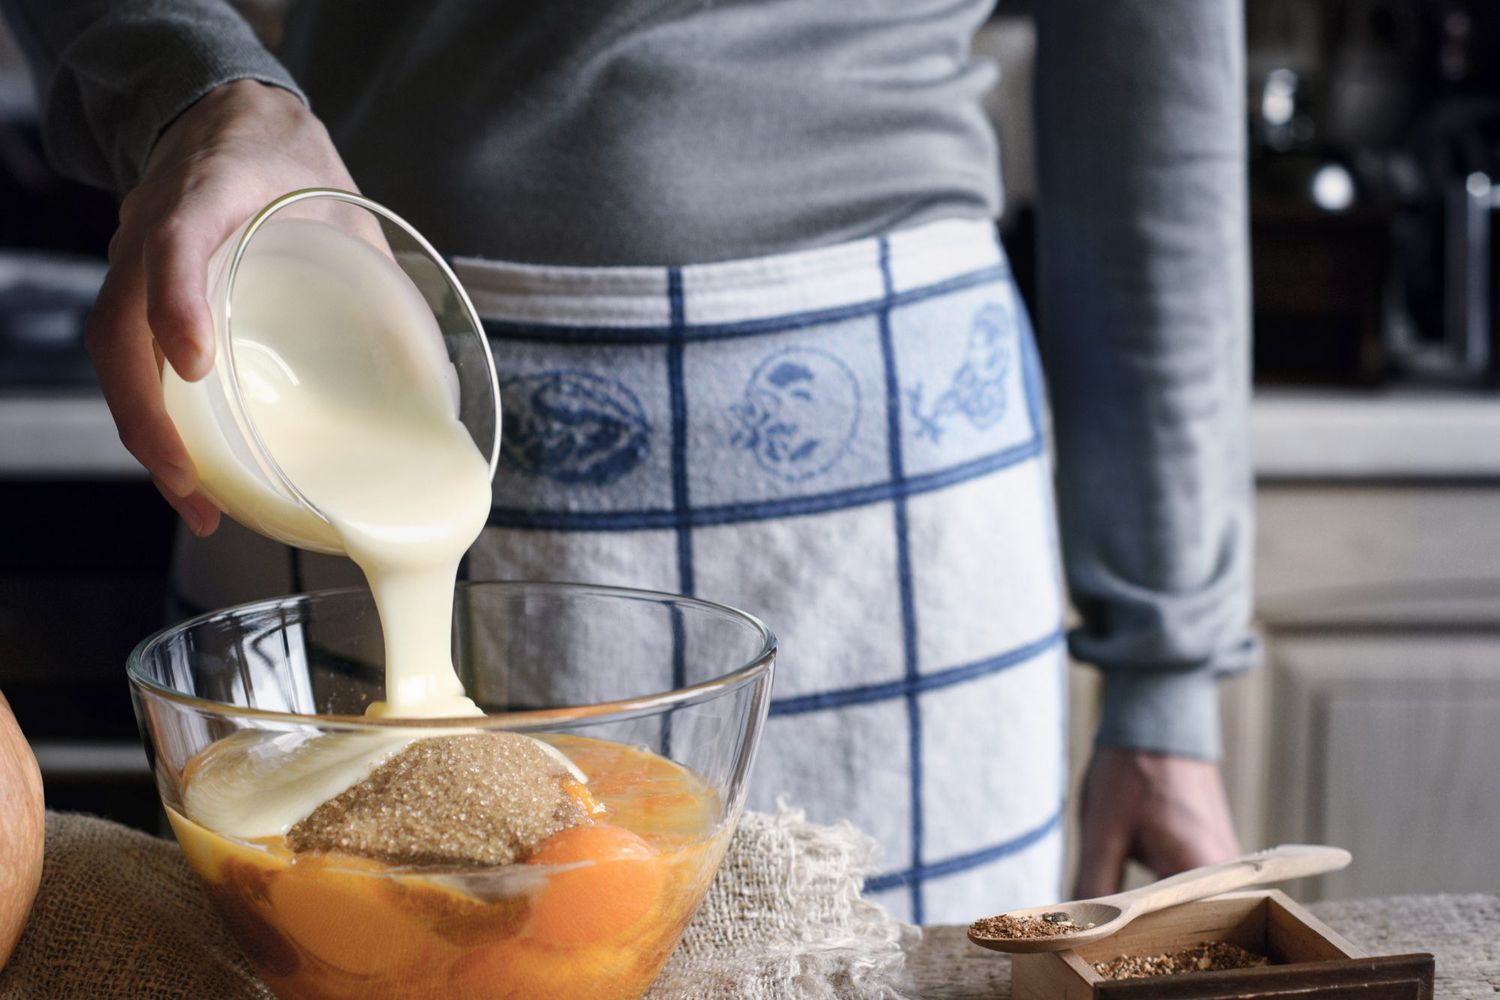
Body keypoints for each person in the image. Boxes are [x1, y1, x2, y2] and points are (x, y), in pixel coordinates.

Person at [1, 0, 1252, 923]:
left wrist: (1166, 675)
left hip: (891, 494)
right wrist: (192, 86)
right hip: (346, 337)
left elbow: (1151, 87)